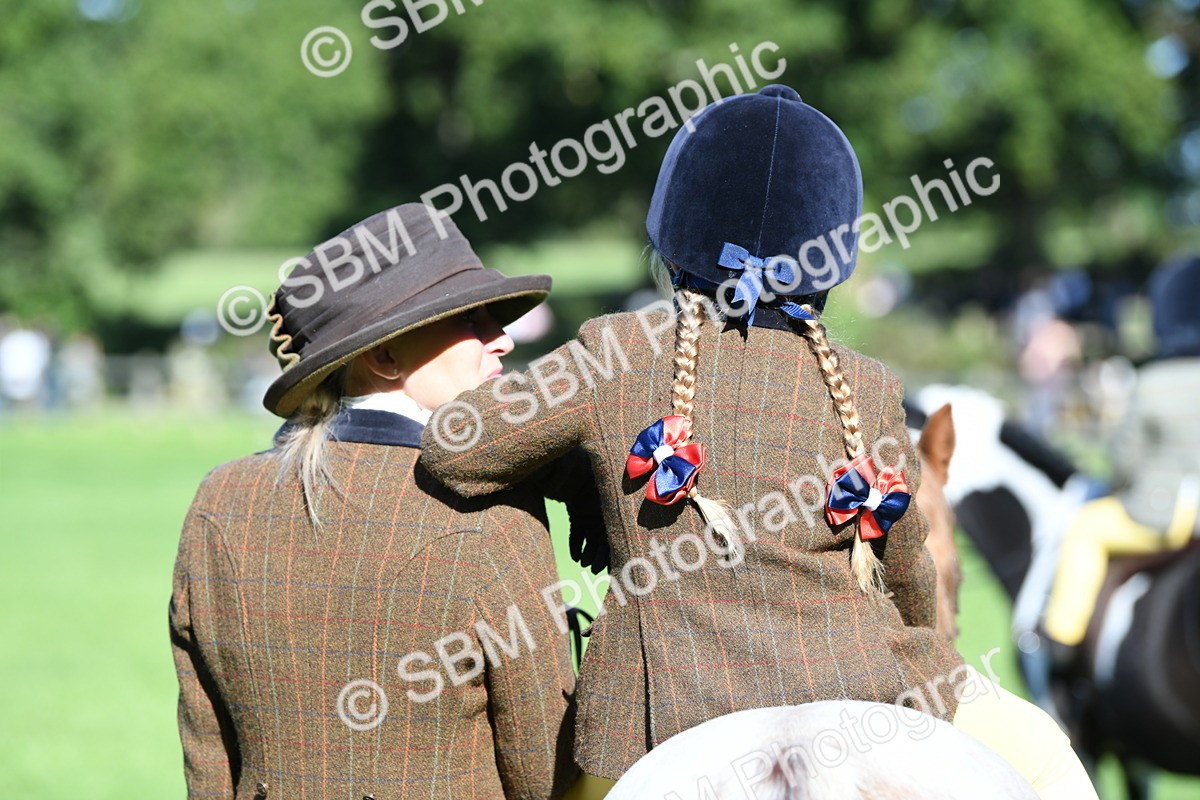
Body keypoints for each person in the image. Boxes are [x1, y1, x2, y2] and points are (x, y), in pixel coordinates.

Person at [420, 86, 1096, 799]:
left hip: (657, 716)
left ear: (674, 237)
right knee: (1045, 755)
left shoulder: (615, 352)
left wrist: (589, 469)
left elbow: (456, 449)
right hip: (864, 688)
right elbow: (909, 577)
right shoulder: (865, 384)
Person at [169, 204, 586, 799]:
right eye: (472, 319)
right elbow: (547, 778)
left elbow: (206, 760)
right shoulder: (491, 515)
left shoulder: (220, 502)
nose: (502, 338)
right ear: (385, 357)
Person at [1043, 255, 1200, 649]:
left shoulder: (1152, 383)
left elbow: (1123, 463)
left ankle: (1062, 638)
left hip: (1168, 519)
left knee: (1086, 528)